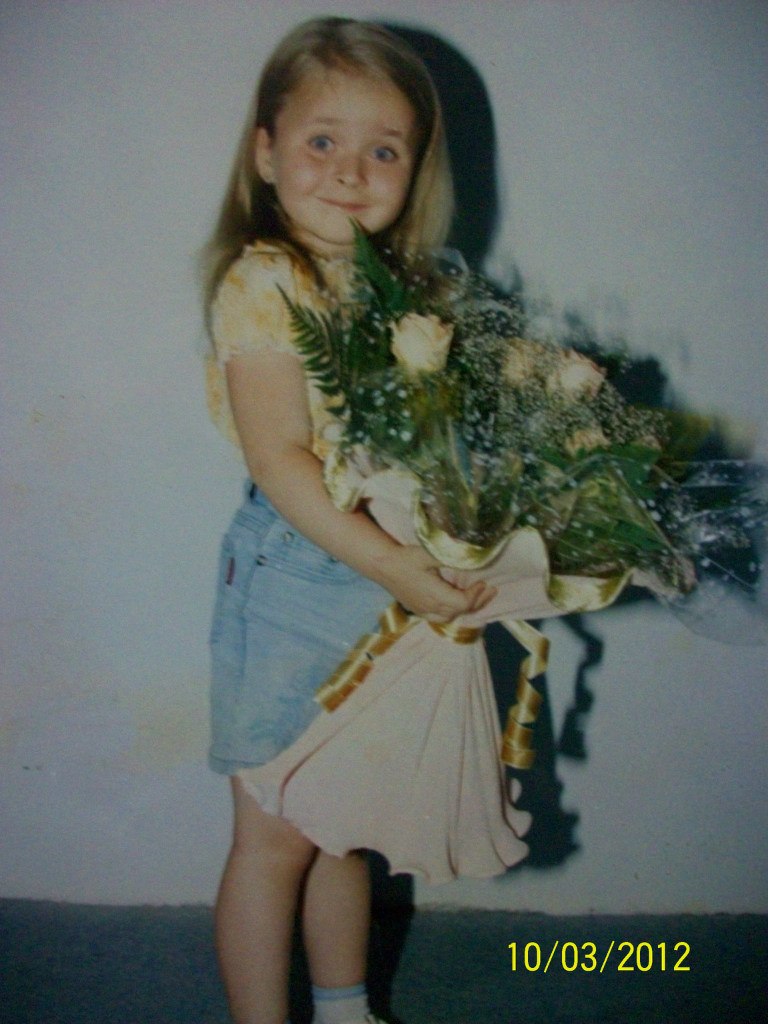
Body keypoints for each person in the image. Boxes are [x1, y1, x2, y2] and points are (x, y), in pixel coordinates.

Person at [202, 17, 497, 1024]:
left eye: (385, 150)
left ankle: (344, 1010)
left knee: (343, 825)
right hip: (301, 571)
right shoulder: (266, 281)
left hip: (380, 568)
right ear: (266, 152)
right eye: (322, 139)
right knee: (275, 834)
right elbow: (282, 461)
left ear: (416, 172)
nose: (350, 170)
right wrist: (396, 566)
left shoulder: (399, 292)